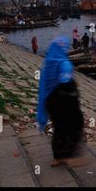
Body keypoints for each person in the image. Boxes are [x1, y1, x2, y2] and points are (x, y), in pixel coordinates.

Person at [37, 37, 84, 167]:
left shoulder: (48, 62)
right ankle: (69, 155)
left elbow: (44, 84)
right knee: (74, 126)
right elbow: (65, 82)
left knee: (58, 129)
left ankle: (57, 157)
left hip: (50, 102)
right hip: (64, 103)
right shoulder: (64, 63)